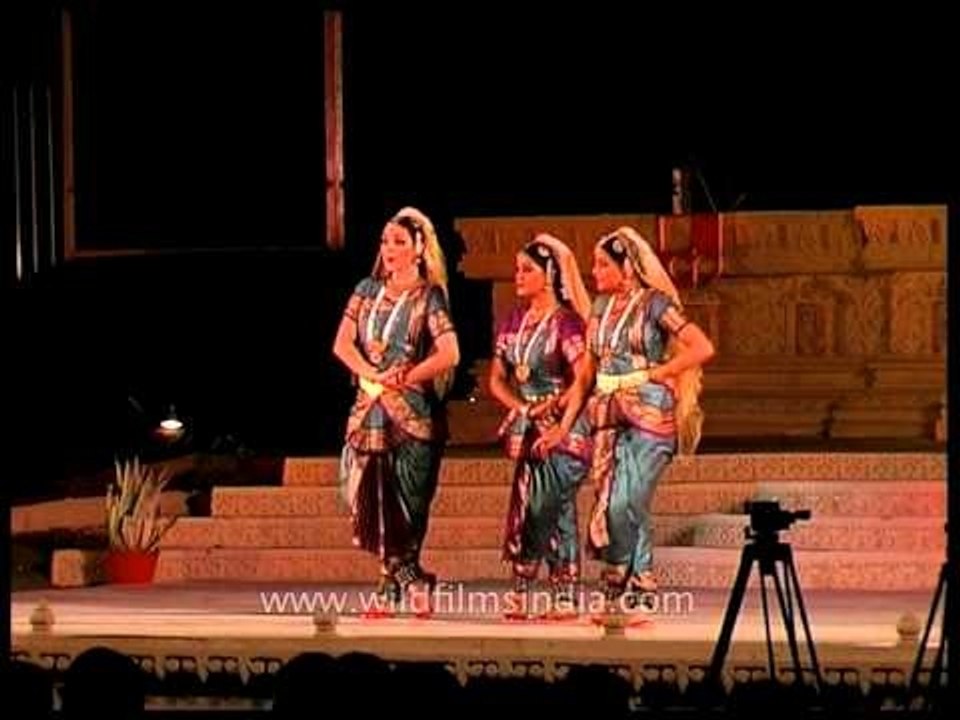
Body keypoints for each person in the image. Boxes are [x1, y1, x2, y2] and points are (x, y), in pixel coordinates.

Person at [333, 207, 460, 609]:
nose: (389, 248)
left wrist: (406, 376)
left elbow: (450, 353)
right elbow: (341, 344)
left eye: (400, 242)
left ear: (420, 248)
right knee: (367, 500)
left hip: (412, 417)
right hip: (368, 409)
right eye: (386, 241)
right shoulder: (366, 290)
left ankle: (391, 586)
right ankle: (413, 578)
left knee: (408, 508)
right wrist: (372, 372)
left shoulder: (429, 296)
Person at [583, 226, 715, 607]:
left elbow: (701, 346)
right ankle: (641, 579)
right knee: (613, 497)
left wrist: (659, 373)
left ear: (627, 267)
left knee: (627, 498)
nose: (596, 272)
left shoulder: (655, 304)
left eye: (603, 265)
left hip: (649, 413)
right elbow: (589, 369)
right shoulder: (598, 308)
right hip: (607, 412)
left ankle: (620, 568)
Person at [488, 233, 594, 617]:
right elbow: (497, 378)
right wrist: (523, 408)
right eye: (517, 269)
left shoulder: (566, 323)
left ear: (549, 275)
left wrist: (554, 406)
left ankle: (558, 588)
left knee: (552, 502)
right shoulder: (514, 319)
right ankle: (526, 585)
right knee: (526, 501)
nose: (518, 276)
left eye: (527, 269)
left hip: (564, 426)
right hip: (529, 424)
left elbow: (584, 378)